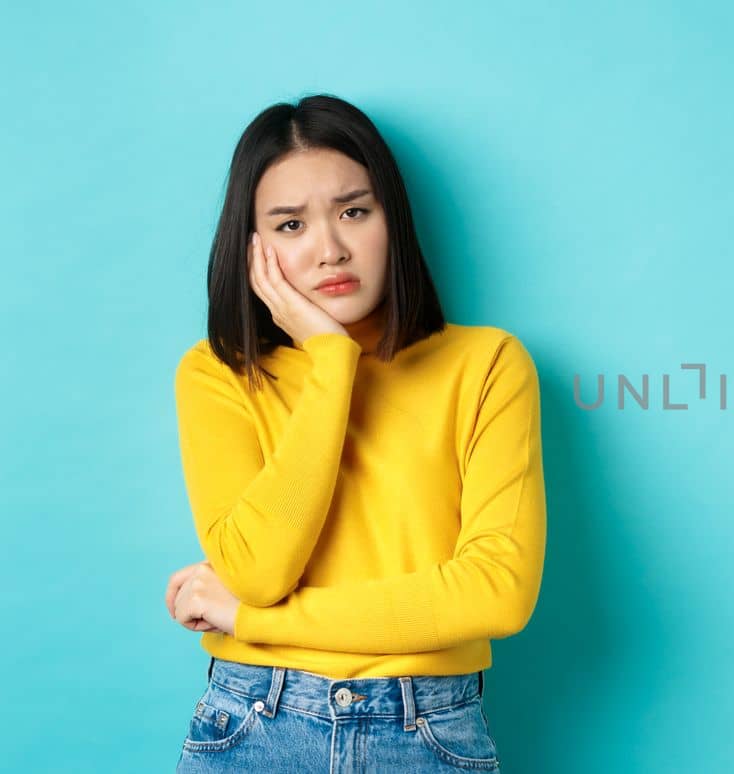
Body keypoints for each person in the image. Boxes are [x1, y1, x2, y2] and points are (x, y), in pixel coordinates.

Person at [164, 94, 546, 772]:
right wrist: (332, 359)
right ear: (251, 246)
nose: (330, 249)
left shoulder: (486, 364)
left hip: (427, 729)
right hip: (255, 722)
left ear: (390, 219)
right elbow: (257, 570)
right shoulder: (219, 374)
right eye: (289, 225)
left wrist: (257, 622)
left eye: (353, 211)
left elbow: (497, 592)